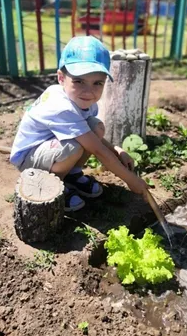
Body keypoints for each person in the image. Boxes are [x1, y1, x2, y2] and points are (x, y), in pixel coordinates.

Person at [10, 36, 148, 211]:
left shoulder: (81, 100)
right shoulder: (62, 107)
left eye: (97, 83)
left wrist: (117, 151)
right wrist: (131, 180)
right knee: (73, 147)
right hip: (29, 159)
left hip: (48, 148)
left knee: (95, 127)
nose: (88, 91)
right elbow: (97, 150)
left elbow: (93, 139)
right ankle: (52, 184)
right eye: (79, 81)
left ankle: (71, 175)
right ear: (61, 77)